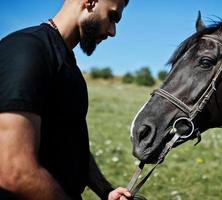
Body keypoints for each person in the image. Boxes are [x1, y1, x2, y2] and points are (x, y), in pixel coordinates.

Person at [0, 0, 132, 199]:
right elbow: (14, 171)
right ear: (90, 2)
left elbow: (70, 143)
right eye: (112, 17)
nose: (113, 31)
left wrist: (105, 190)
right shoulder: (28, 49)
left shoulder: (70, 68)